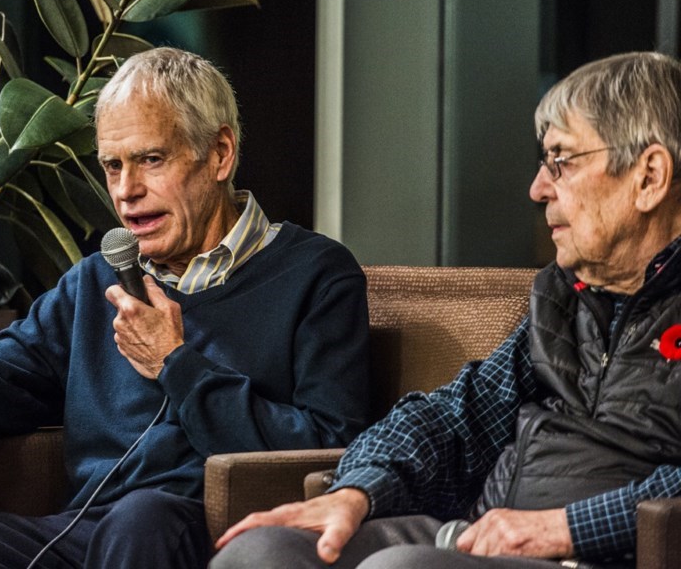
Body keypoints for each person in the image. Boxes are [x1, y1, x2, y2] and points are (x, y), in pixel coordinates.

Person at [0, 47, 370, 569]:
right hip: (77, 538)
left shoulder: (316, 275)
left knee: (143, 517)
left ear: (219, 154)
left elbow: (330, 447)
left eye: (150, 160)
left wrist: (177, 364)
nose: (125, 191)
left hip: (204, 535)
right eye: (112, 166)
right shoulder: (98, 281)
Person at [211, 50, 681, 569]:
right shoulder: (566, 299)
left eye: (560, 161)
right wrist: (356, 492)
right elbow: (455, 418)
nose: (537, 188)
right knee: (260, 554)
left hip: (614, 552)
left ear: (649, 176)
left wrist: (569, 528)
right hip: (485, 535)